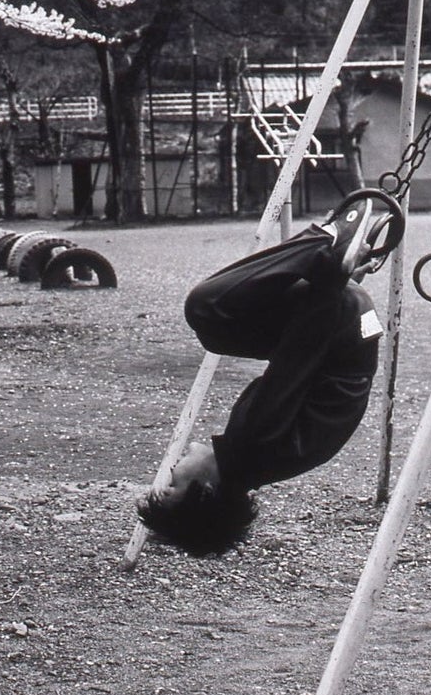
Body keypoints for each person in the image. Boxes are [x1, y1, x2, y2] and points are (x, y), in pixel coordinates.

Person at [136, 196, 395, 555]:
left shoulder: (255, 464)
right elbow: (298, 355)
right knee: (205, 308)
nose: (172, 469)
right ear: (205, 490)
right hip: (341, 325)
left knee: (216, 334)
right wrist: (332, 279)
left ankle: (333, 255)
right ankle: (328, 240)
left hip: (351, 335)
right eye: (171, 485)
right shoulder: (253, 444)